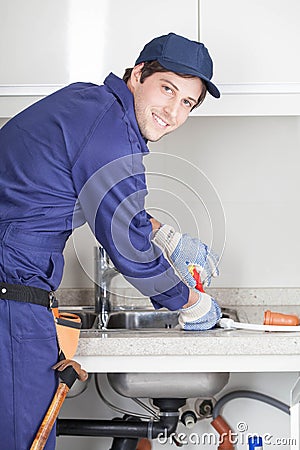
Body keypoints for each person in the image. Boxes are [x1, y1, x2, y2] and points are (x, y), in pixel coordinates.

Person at [0, 32, 221, 449]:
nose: (172, 112)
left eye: (187, 103)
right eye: (167, 89)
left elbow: (110, 202)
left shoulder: (90, 104)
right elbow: (128, 243)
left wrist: (168, 236)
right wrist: (190, 302)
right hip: (9, 297)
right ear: (139, 74)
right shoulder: (110, 132)